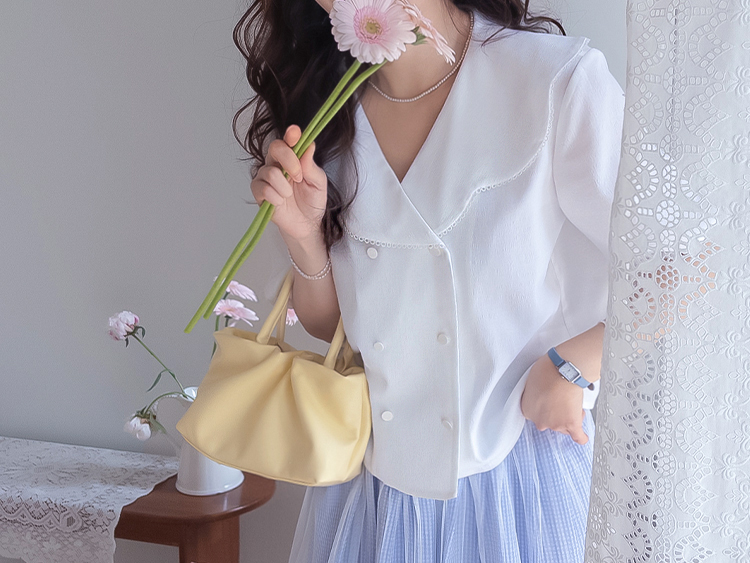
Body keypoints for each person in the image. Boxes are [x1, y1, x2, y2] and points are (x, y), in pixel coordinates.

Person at [239, 0, 625, 560]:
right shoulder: (324, 110)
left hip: (516, 490)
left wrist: (573, 366)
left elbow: (685, 265)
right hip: (374, 496)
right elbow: (331, 328)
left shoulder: (553, 81)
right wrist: (303, 238)